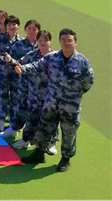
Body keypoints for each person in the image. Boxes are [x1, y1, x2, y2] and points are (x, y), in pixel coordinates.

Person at [16, 29, 94, 173]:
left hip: (70, 107)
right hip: (51, 103)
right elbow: (37, 65)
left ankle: (65, 159)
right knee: (44, 128)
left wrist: (74, 95)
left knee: (69, 133)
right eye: (63, 40)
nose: (66, 43)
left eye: (69, 40)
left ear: (75, 43)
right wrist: (23, 68)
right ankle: (39, 153)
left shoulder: (82, 62)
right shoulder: (52, 57)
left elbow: (88, 82)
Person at [6, 30, 54, 151]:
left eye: (45, 40)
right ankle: (26, 140)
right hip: (33, 94)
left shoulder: (56, 57)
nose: (42, 43)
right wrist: (12, 62)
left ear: (50, 41)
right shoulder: (32, 55)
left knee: (50, 119)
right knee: (31, 118)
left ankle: (50, 143)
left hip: (50, 96)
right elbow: (20, 63)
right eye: (40, 40)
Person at [1, 19, 40, 140]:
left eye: (34, 29)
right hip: (20, 82)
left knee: (34, 111)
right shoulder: (18, 45)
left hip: (37, 86)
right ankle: (13, 129)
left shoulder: (41, 46)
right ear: (25, 30)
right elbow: (14, 63)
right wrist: (11, 62)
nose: (32, 31)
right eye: (29, 28)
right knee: (17, 107)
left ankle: (31, 136)